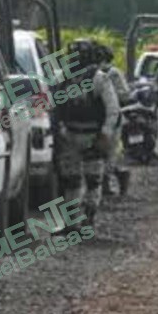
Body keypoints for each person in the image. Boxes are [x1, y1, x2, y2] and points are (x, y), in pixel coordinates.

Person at [54, 39, 120, 227]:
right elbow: (113, 109)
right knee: (80, 180)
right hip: (76, 135)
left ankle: (80, 220)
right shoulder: (94, 77)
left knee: (83, 181)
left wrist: (105, 134)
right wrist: (106, 133)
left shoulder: (73, 78)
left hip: (84, 136)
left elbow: (112, 110)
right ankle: (80, 220)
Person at [95, 43, 131, 197]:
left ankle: (106, 184)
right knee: (106, 154)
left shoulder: (111, 73)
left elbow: (123, 95)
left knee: (107, 154)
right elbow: (125, 95)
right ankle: (107, 183)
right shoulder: (106, 73)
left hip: (108, 117)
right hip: (103, 118)